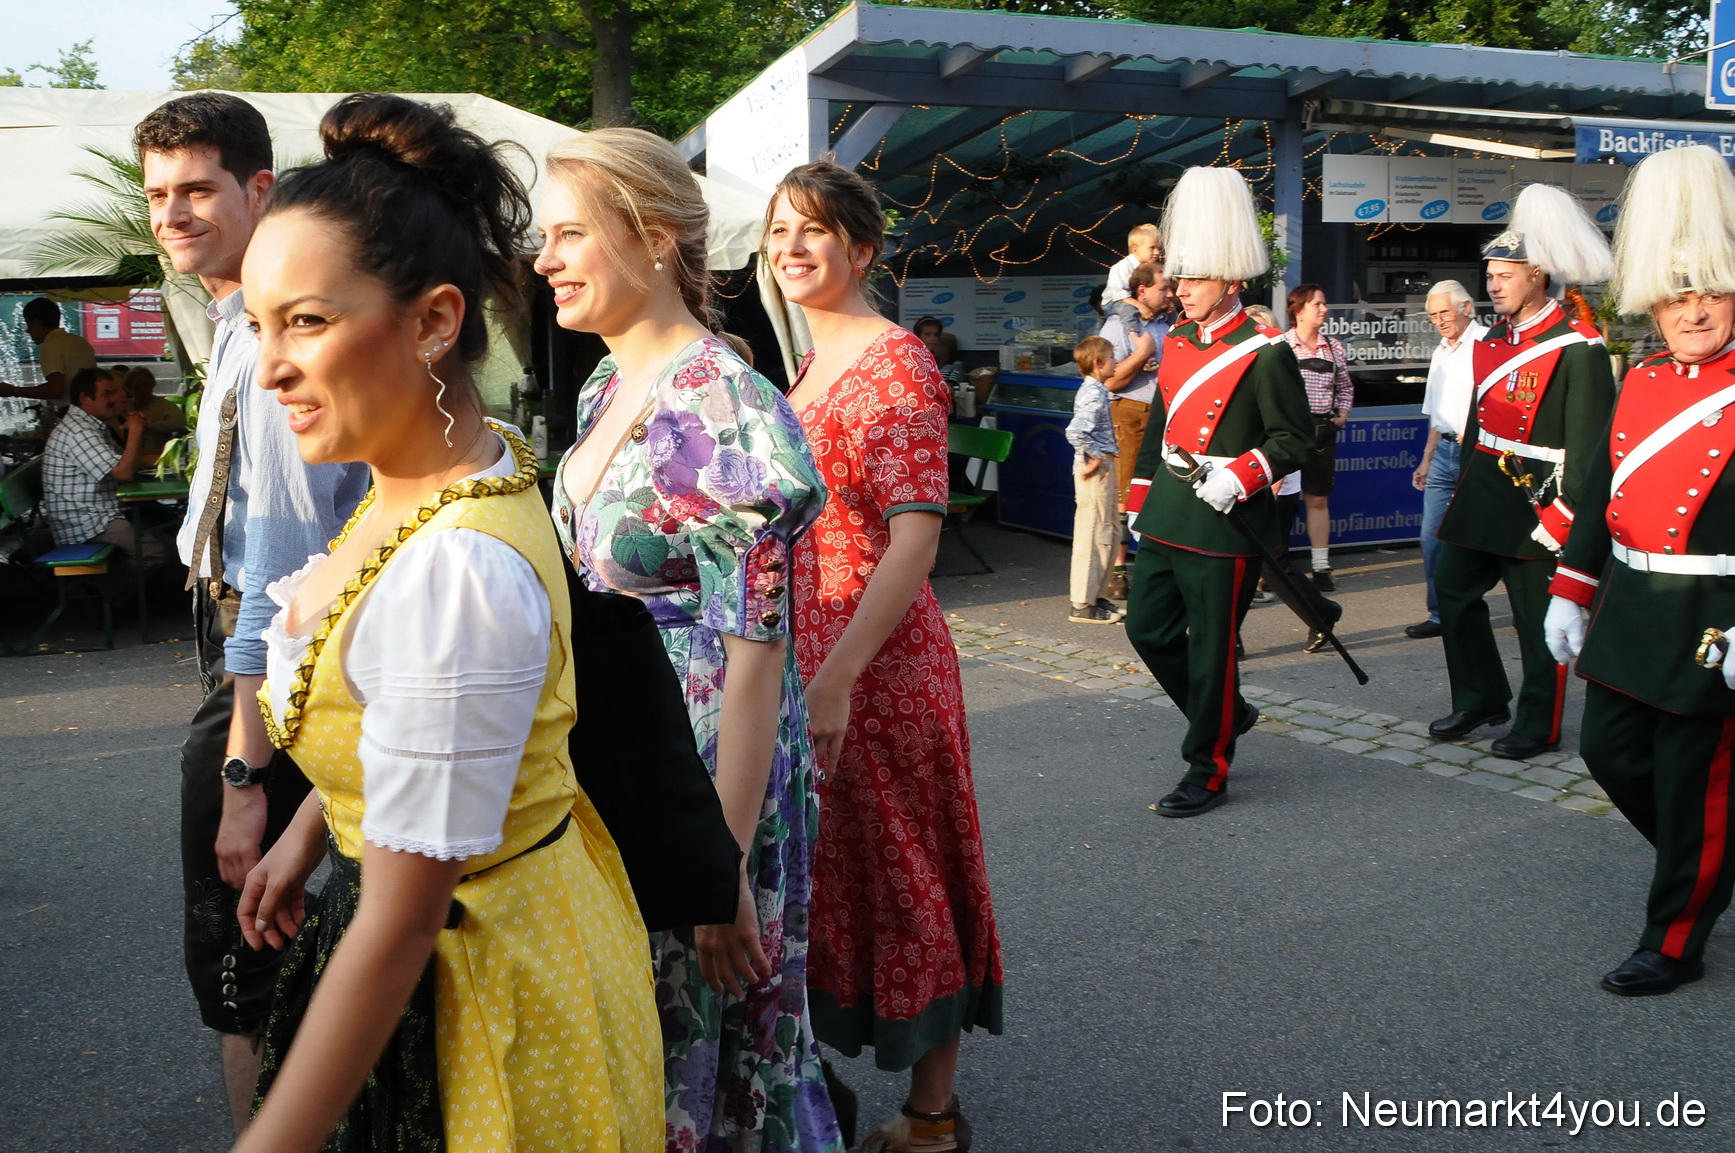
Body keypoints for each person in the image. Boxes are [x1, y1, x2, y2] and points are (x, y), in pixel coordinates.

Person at [229, 94, 659, 1152]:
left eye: (308, 321)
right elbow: (415, 736)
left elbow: (405, 918)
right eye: (257, 324)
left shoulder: (451, 570)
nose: (270, 365)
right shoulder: (440, 468)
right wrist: (313, 826)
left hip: (484, 996)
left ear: (433, 320)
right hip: (499, 932)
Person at [537, 129, 842, 1153]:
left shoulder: (728, 406)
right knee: (642, 1043)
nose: (544, 260)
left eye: (570, 234)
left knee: (717, 1055)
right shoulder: (601, 388)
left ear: (655, 238)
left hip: (711, 781)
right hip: (626, 761)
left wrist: (719, 866)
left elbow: (756, 659)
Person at [135, 90, 372, 1132]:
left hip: (267, 686)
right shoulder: (236, 324)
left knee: (245, 966)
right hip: (267, 669)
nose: (172, 213)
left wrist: (243, 770)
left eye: (196, 188)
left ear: (259, 189)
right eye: (157, 195)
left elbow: (272, 585)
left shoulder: (267, 338)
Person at [768, 158, 1004, 1153]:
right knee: (835, 877)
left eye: (812, 229)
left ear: (859, 249)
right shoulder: (812, 364)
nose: (789, 247)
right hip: (812, 661)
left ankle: (931, 1118)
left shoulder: (894, 362)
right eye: (777, 230)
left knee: (909, 878)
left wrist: (835, 679)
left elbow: (914, 536)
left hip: (876, 670)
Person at [1543, 145, 1735, 997]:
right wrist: (1569, 586)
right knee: (1608, 750)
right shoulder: (1641, 378)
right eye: (1677, 292)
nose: (1692, 310)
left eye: (1710, 290)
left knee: (1699, 785)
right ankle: (1706, 862)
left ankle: (1673, 937)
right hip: (1632, 605)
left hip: (1713, 613)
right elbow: (1599, 496)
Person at [1122, 166, 1313, 818]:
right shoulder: (1175, 339)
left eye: (1195, 279)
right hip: (1172, 509)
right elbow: (1160, 428)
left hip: (1225, 515)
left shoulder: (1264, 350)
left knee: (1210, 651)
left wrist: (1242, 472)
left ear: (1231, 280)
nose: (1181, 290)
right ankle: (1228, 714)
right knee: (1146, 629)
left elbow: (1294, 439)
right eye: (1178, 278)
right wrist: (1137, 503)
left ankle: (1206, 768)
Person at [1428, 182, 1616, 761]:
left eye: (1504, 273)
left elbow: (1591, 450)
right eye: (1490, 274)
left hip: (1541, 501)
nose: (1493, 283)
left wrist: (1566, 517)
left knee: (1539, 620)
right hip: (1486, 493)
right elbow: (1482, 426)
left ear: (1537, 274)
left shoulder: (1577, 347)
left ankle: (1540, 723)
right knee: (1453, 589)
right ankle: (1482, 695)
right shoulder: (1494, 343)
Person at [1406, 282, 1487, 639]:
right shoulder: (1440, 351)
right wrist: (1425, 459)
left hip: (1480, 452)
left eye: (1444, 312)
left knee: (1487, 537)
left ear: (1466, 307)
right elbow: (1435, 413)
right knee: (1431, 538)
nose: (1439, 321)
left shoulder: (1489, 344)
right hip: (1443, 454)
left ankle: (1520, 603)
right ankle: (1440, 614)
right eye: (1433, 315)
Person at [41, 366, 165, 572]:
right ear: (85, 399)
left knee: (167, 530)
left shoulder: (92, 425)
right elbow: (123, 472)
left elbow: (128, 461)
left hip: (101, 512)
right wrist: (135, 430)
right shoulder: (80, 431)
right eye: (107, 394)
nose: (116, 399)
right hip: (86, 523)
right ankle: (107, 593)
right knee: (157, 552)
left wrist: (169, 458)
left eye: (116, 392)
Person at [1100, 261, 1173, 599]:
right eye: (1164, 289)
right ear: (1142, 291)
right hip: (1129, 413)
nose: (1170, 294)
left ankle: (1154, 566)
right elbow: (1108, 380)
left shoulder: (1167, 324)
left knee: (1160, 494)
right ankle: (1118, 572)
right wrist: (1141, 355)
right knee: (1126, 495)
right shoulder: (1116, 328)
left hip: (1164, 416)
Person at [1282, 283, 1353, 591]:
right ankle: (1273, 565)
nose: (1324, 309)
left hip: (1322, 431)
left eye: (1324, 304)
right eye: (1318, 304)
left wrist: (1341, 415)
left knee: (1317, 498)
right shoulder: (1281, 345)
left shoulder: (1333, 347)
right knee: (1279, 500)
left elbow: (1346, 388)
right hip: (1286, 431)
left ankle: (1321, 566)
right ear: (1298, 309)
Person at [1065, 335, 1125, 625]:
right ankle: (1083, 603)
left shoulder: (1098, 390)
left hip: (1102, 468)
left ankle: (1096, 596)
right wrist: (1096, 456)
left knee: (1107, 532)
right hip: (1096, 471)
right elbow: (1075, 431)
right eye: (1112, 358)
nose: (1117, 362)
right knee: (1094, 535)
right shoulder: (1095, 392)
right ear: (1098, 363)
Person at [0, 297, 98, 407]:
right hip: (90, 410)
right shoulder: (79, 341)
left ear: (36, 322)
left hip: (71, 413)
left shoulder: (51, 345)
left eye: (28, 324)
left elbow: (55, 390)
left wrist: (14, 391)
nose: (28, 330)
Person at [1102, 222, 1162, 325]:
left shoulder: (1151, 268)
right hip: (1114, 302)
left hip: (1134, 301)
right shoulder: (1122, 267)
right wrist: (1141, 306)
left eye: (1159, 248)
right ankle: (1133, 333)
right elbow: (1119, 296)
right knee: (1128, 310)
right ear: (1135, 250)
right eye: (1152, 248)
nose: (1157, 253)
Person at [125, 365, 187, 458]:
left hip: (159, 456)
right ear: (129, 389)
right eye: (136, 387)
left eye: (145, 385)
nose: (141, 390)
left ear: (152, 385)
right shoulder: (123, 406)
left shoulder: (165, 405)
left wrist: (150, 426)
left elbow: (181, 423)